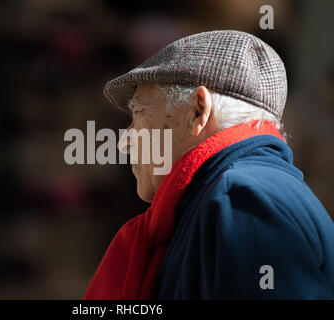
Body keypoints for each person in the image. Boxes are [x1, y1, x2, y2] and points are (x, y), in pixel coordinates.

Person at [83, 30, 334, 299]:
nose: (125, 142)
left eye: (139, 113)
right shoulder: (241, 192)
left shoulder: (241, 198)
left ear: (198, 111)